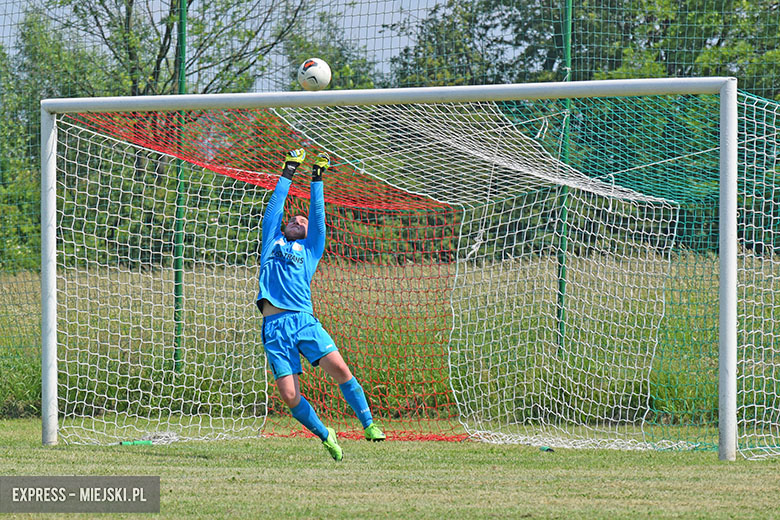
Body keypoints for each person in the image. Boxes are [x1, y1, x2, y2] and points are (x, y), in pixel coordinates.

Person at [256, 148, 386, 461]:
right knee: (289, 396)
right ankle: (326, 435)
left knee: (340, 369)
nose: (296, 220)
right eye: (292, 219)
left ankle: (368, 423)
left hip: (303, 320)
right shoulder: (272, 240)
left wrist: (316, 177)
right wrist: (288, 169)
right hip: (274, 328)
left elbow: (317, 216)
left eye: (301, 220)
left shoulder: (310, 249)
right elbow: (275, 207)